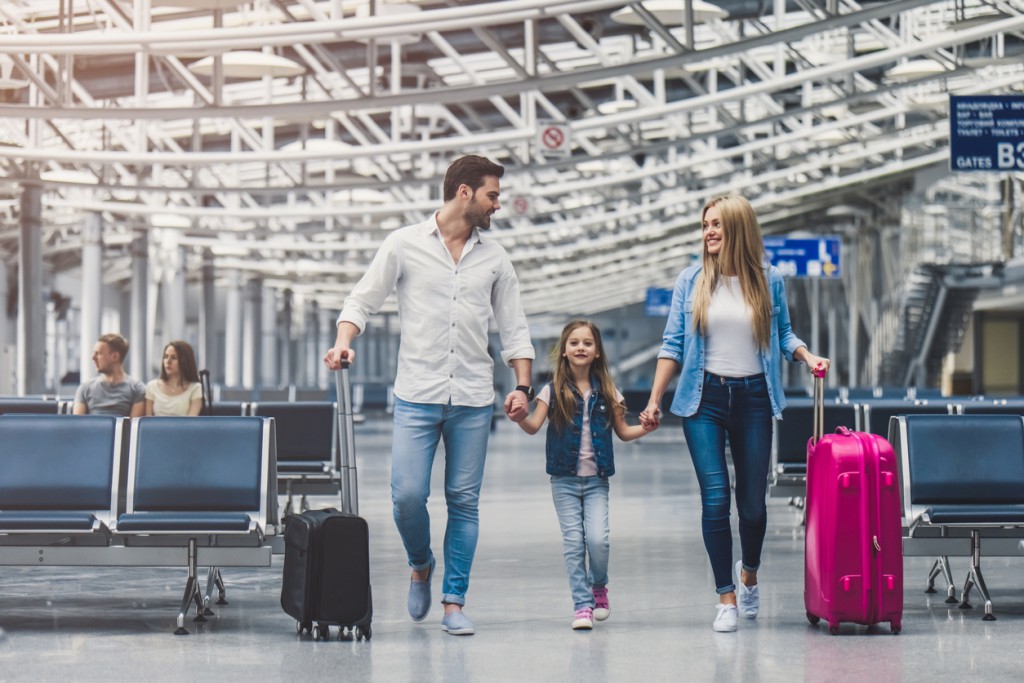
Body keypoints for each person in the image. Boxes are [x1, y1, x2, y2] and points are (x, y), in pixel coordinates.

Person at [323, 155, 535, 636]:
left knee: (463, 500)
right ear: (465, 192)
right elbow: (362, 299)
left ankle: (454, 602)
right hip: (417, 393)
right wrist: (343, 341)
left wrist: (522, 386)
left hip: (473, 398)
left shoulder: (495, 258)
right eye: (492, 195)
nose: (497, 205)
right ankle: (421, 562)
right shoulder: (403, 245)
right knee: (407, 497)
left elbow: (514, 329)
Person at [639, 194, 829, 634]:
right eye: (705, 224)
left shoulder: (769, 280)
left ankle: (749, 575)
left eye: (718, 225)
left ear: (739, 229)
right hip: (702, 399)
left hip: (754, 398)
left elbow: (782, 334)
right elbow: (672, 345)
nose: (709, 231)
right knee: (715, 500)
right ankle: (725, 596)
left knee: (753, 509)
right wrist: (653, 400)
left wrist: (806, 355)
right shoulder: (691, 281)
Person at [517, 320, 655, 630]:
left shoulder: (609, 392)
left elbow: (622, 431)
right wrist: (519, 417)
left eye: (588, 343)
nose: (581, 347)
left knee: (598, 541)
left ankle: (599, 585)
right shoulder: (550, 391)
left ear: (596, 353)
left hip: (596, 482)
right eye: (575, 343)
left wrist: (644, 428)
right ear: (564, 351)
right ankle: (582, 606)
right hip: (563, 481)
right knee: (573, 543)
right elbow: (533, 426)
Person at [73, 333, 146, 417]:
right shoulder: (85, 388)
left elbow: (134, 427)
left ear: (115, 356)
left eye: (98, 353)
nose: (93, 357)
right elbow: (79, 426)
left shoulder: (137, 389)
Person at [145, 341, 203, 417]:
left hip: (183, 429)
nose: (168, 361)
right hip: (155, 429)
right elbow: (147, 421)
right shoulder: (152, 386)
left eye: (174, 358)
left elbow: (191, 422)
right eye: (165, 357)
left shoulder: (195, 388)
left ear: (185, 361)